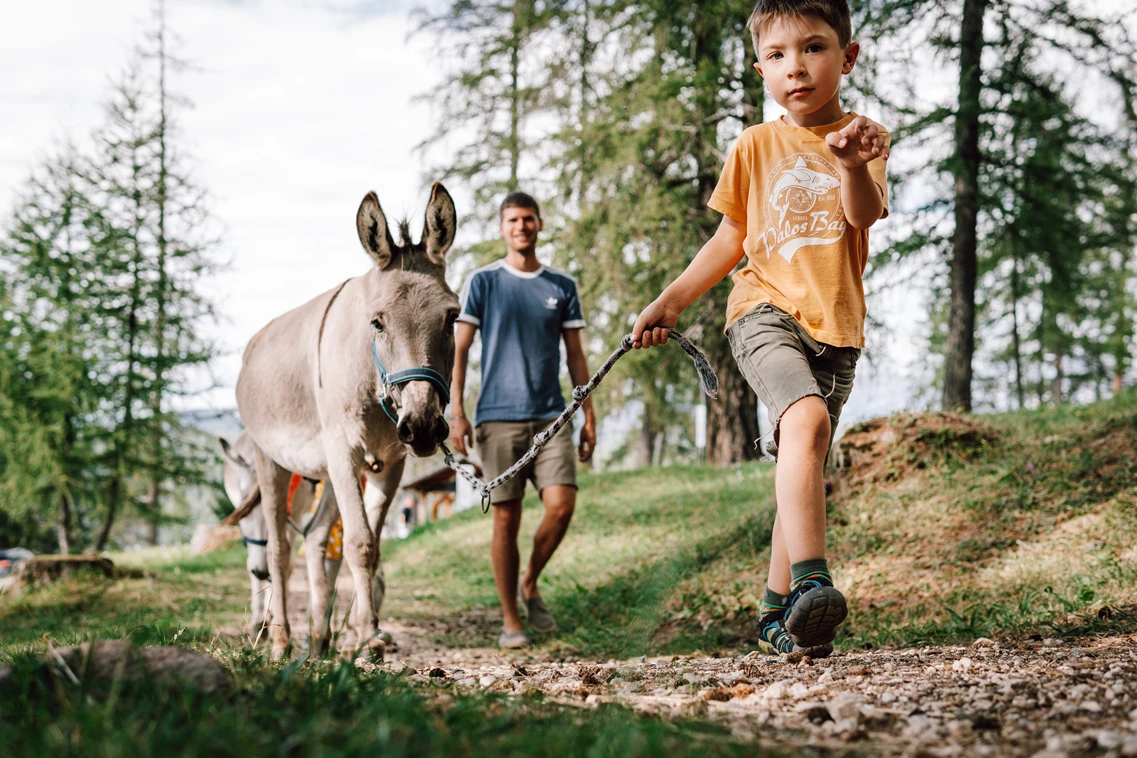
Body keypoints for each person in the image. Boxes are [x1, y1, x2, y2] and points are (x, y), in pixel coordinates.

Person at [631, 0, 889, 658]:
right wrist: (673, 299)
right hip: (762, 312)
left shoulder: (862, 136)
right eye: (776, 56)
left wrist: (851, 165)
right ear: (759, 70)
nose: (795, 67)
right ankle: (812, 583)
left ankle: (776, 618)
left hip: (837, 328)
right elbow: (730, 236)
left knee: (798, 460)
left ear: (847, 57)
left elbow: (862, 217)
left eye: (813, 48)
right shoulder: (753, 145)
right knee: (803, 423)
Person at [449, 192, 597, 649]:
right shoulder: (484, 282)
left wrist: (588, 415)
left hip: (551, 416)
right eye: (512, 220)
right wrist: (456, 412)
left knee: (561, 505)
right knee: (506, 520)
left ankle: (529, 580)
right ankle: (511, 620)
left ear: (539, 224)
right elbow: (459, 350)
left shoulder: (561, 285)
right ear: (502, 228)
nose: (521, 227)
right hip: (496, 418)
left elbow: (575, 356)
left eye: (528, 219)